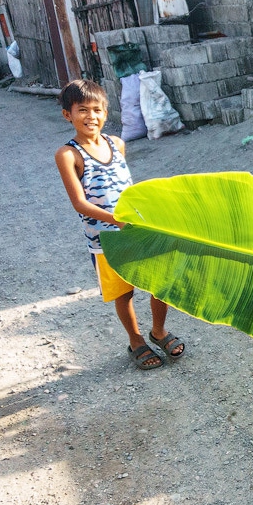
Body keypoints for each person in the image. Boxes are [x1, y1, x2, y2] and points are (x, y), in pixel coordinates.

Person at [55, 79, 185, 370]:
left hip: (135, 229)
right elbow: (79, 202)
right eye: (82, 110)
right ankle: (136, 341)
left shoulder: (117, 143)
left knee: (158, 283)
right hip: (105, 238)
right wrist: (117, 221)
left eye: (97, 109)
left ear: (105, 111)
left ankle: (159, 331)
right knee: (123, 292)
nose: (91, 116)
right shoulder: (68, 154)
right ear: (68, 115)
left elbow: (127, 189)